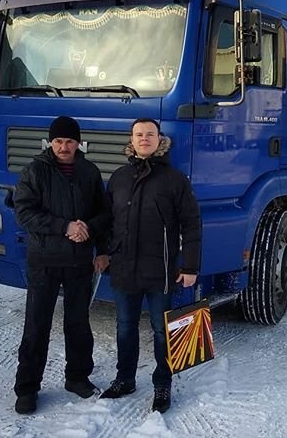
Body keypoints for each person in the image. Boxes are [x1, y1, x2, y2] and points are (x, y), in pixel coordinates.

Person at [100, 118, 201, 414]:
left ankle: (162, 384)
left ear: (160, 140)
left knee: (162, 331)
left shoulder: (175, 180)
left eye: (150, 134)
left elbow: (192, 225)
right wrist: (105, 252)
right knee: (125, 327)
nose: (144, 139)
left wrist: (191, 266)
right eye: (139, 134)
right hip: (124, 268)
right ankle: (125, 379)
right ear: (131, 140)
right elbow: (108, 222)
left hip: (162, 271)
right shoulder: (118, 177)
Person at [13, 116, 110, 414]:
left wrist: (97, 241)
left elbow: (104, 215)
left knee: (78, 323)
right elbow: (24, 212)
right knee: (36, 325)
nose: (63, 147)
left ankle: (77, 377)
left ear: (78, 143)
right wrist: (65, 226)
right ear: (50, 142)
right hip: (44, 261)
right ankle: (27, 388)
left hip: (80, 261)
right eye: (58, 141)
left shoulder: (89, 172)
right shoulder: (35, 171)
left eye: (69, 141)